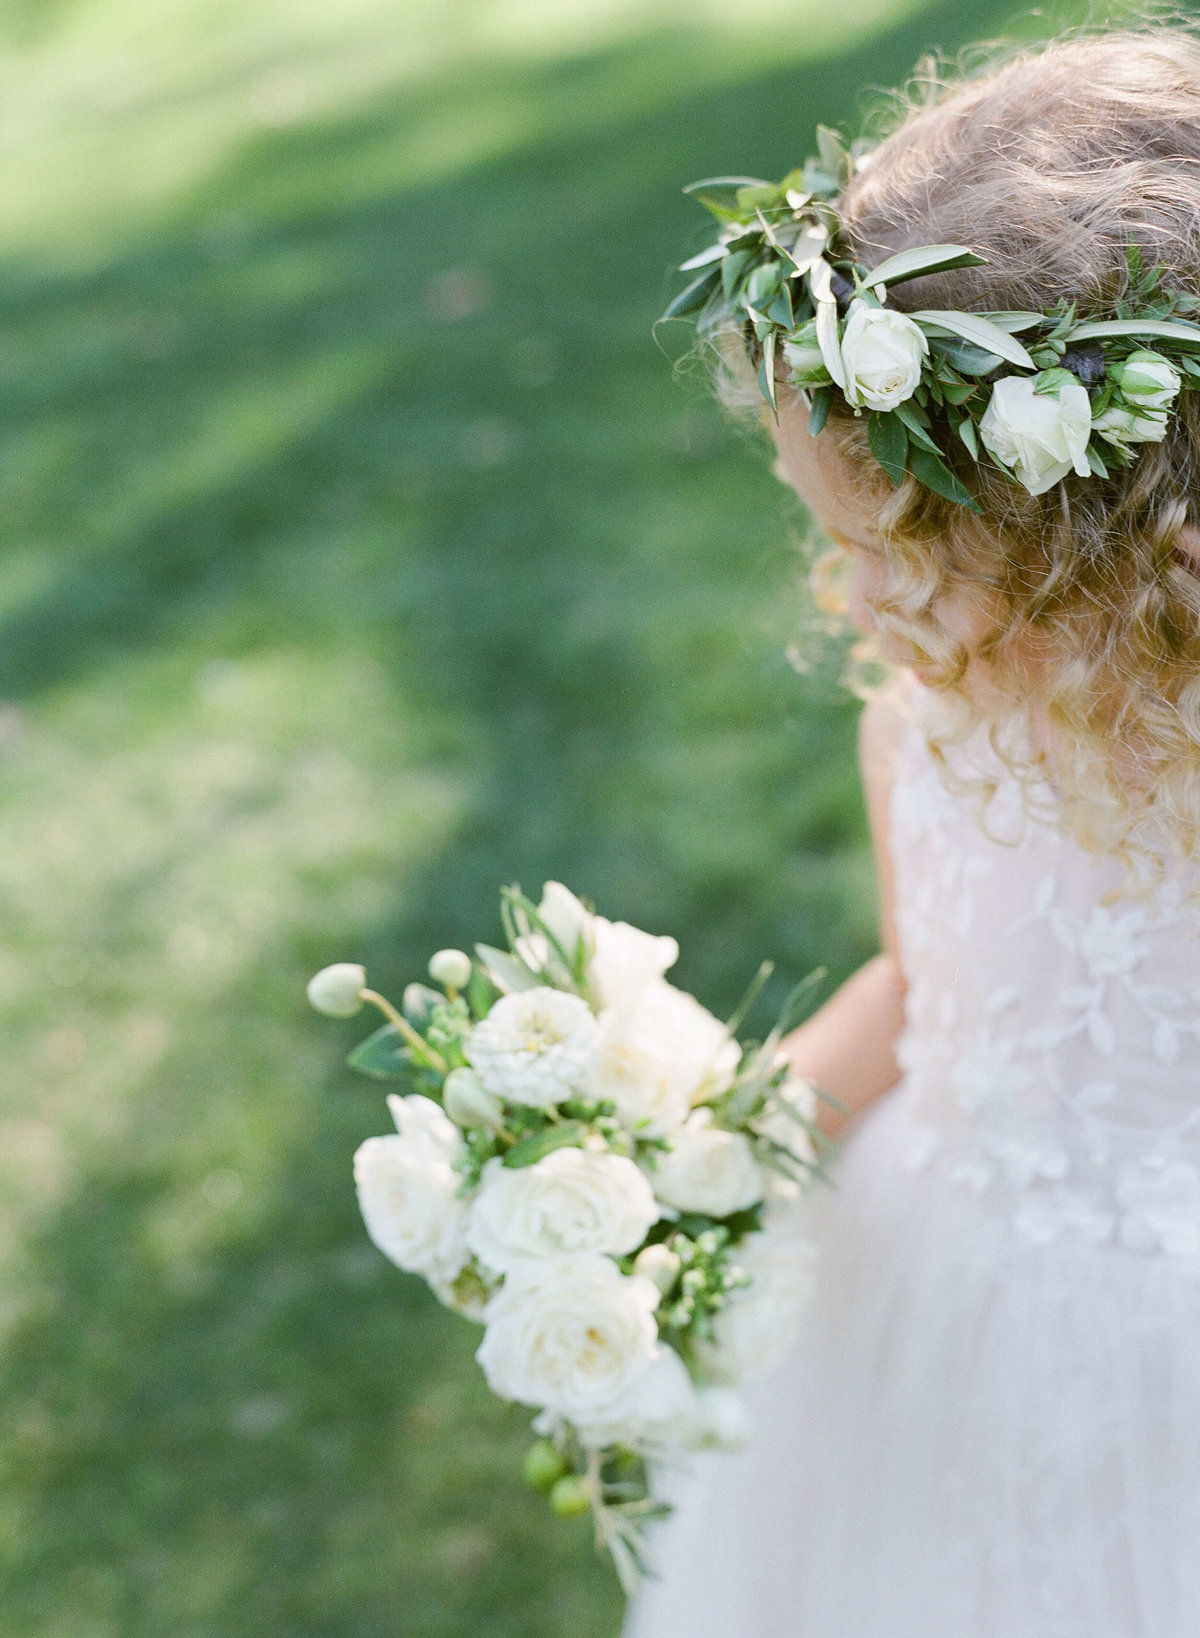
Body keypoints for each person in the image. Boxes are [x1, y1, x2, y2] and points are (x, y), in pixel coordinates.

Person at [625, 26, 1200, 1637]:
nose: (858, 595)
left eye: (894, 549)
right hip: (926, 1302)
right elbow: (920, 985)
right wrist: (712, 1158)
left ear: (1090, 534)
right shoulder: (926, 716)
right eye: (829, 536)